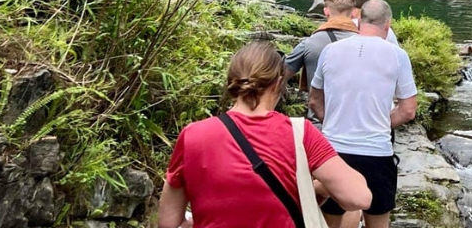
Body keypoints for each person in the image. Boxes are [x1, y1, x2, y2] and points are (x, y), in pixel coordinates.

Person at [157, 41, 371, 228]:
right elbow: (359, 198)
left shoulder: (193, 135)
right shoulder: (300, 132)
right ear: (278, 83)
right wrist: (316, 186)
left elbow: (168, 221)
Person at [310, 0, 418, 228]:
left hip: (333, 153)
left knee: (330, 222)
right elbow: (408, 111)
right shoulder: (398, 55)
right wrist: (380, 124)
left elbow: (314, 100)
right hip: (376, 153)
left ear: (358, 21)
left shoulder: (330, 51)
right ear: (387, 25)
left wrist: (333, 122)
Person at [285, 0, 359, 101]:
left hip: (319, 115)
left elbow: (282, 74)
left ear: (326, 11)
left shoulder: (310, 42)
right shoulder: (368, 44)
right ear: (354, 13)